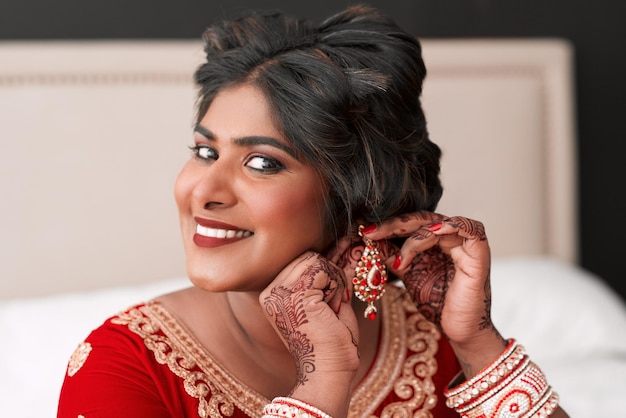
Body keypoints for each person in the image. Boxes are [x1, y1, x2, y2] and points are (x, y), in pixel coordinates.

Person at [57, 5, 568, 418]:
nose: (204, 191)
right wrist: (324, 379)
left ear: (355, 197)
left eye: (261, 162)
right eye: (205, 151)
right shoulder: (124, 366)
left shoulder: (429, 335)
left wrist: (477, 343)